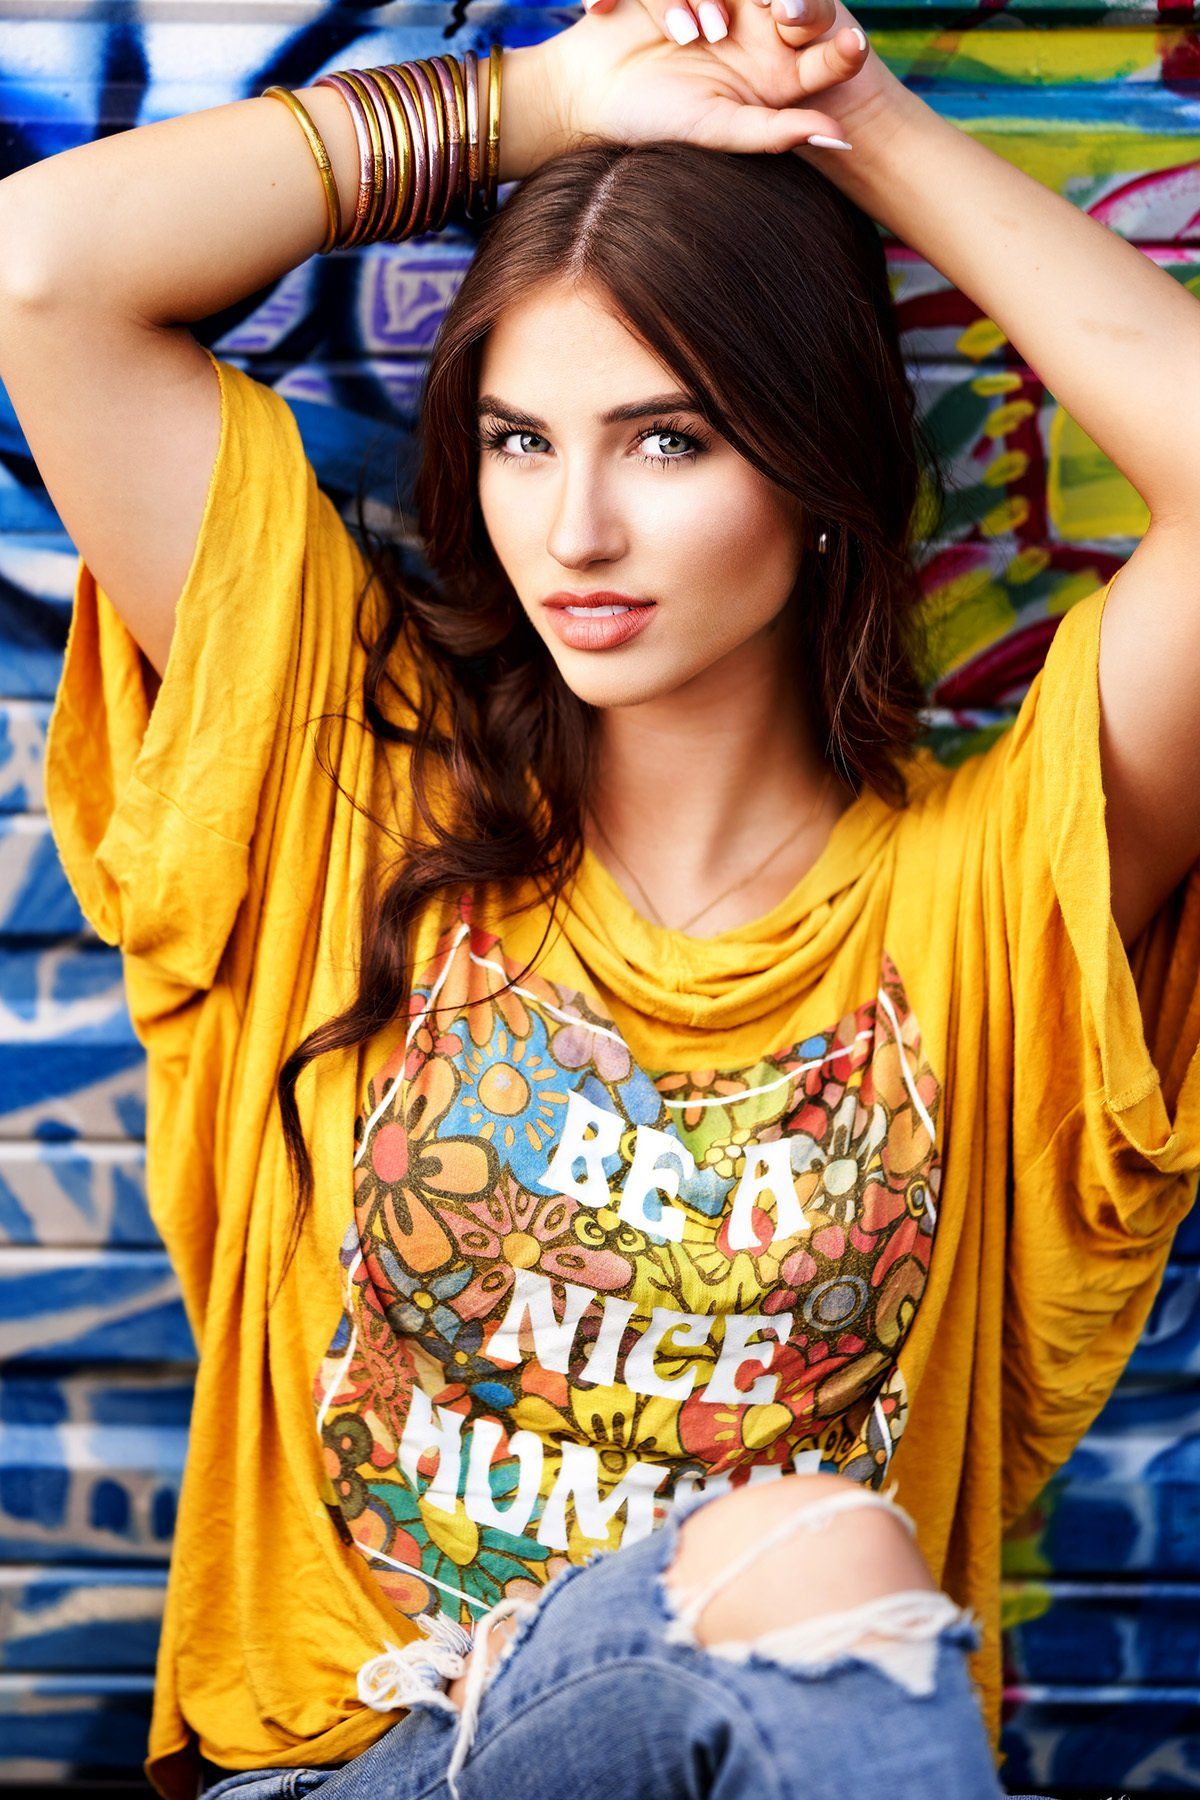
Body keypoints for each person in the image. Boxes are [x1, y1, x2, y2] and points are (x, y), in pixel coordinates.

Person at [1, 0, 1197, 1794]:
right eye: (519, 440)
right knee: (821, 1553)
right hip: (354, 1764)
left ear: (811, 477)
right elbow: (47, 270)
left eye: (666, 441)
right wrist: (541, 98)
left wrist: (849, 119)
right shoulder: (342, 789)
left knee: (812, 1560)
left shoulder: (991, 902)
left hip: (770, 1753)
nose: (570, 535)